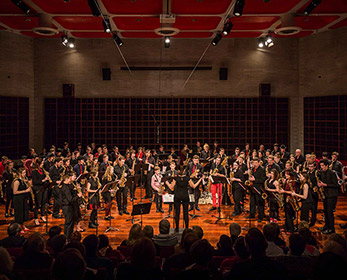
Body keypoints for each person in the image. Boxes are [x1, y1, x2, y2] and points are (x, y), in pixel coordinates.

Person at [318, 159, 339, 234]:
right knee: (326, 211)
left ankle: (331, 228)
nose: (321, 167)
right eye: (321, 166)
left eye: (323, 166)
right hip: (325, 195)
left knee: (330, 212)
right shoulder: (322, 173)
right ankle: (326, 226)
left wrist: (325, 185)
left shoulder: (332, 173)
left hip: (332, 195)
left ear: (327, 165)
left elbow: (336, 185)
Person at [60, 173, 83, 239]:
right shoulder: (65, 188)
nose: (71, 180)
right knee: (68, 224)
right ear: (66, 179)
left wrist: (76, 190)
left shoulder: (67, 186)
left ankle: (68, 237)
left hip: (70, 207)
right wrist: (78, 196)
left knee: (70, 224)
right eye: (70, 179)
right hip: (67, 207)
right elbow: (70, 199)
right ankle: (67, 238)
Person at [247, 158, 267, 222]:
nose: (254, 164)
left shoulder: (262, 169)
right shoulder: (252, 169)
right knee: (252, 202)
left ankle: (260, 216)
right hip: (252, 188)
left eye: (256, 163)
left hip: (259, 188)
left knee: (259, 203)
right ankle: (252, 214)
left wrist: (255, 179)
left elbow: (263, 179)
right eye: (253, 163)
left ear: (258, 163)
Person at [31, 158, 49, 225]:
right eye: (41, 164)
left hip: (43, 188)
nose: (42, 165)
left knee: (43, 202)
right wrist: (44, 180)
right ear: (38, 164)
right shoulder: (34, 172)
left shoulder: (42, 170)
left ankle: (42, 215)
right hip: (38, 189)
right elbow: (35, 182)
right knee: (37, 204)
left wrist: (47, 176)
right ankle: (36, 218)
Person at [12, 168, 31, 233]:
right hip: (18, 199)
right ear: (20, 173)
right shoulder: (17, 181)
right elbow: (15, 192)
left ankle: (23, 225)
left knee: (23, 213)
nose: (25, 174)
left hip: (23, 198)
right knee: (19, 214)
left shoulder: (23, 180)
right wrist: (26, 191)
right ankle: (19, 228)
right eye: (23, 173)